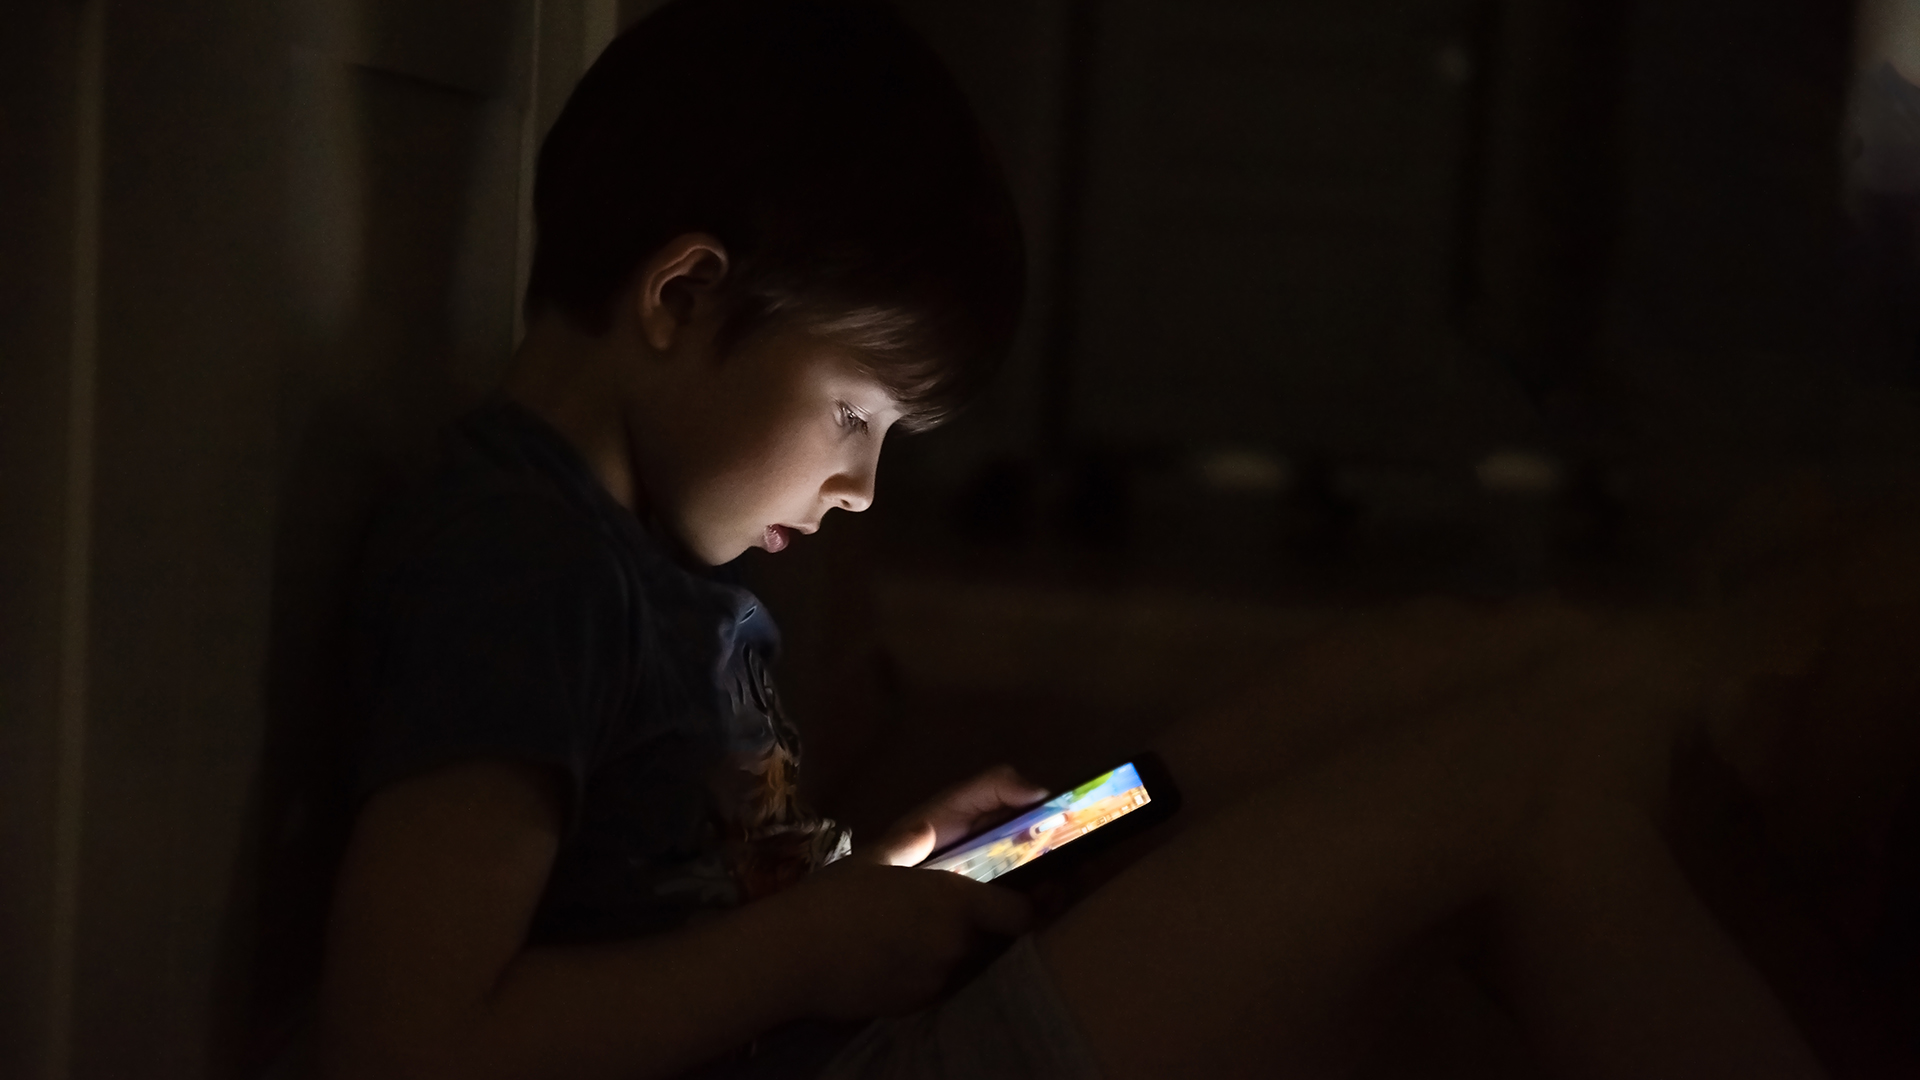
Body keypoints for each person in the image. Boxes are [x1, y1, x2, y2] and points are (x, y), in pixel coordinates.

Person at [316, 2, 1831, 1076]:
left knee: (1423, 684)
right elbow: (408, 1044)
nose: (860, 488)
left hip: (839, 1013)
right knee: (1509, 791)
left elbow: (688, 900)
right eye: (855, 413)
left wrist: (886, 868)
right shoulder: (520, 566)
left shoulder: (646, 560)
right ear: (681, 297)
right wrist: (804, 953)